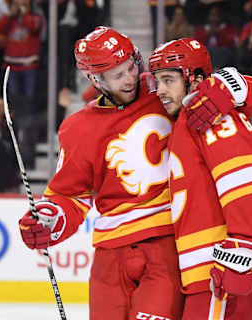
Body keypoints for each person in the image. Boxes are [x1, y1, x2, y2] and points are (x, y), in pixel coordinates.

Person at [17, 26, 186, 320]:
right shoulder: (78, 128)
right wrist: (49, 218)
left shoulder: (164, 89)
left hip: (166, 247)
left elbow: (238, 96)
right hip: (111, 257)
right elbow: (70, 196)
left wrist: (227, 91)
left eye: (132, 66)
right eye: (117, 75)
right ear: (95, 79)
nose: (131, 77)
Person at [148, 38, 252, 319]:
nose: (161, 90)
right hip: (209, 268)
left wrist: (243, 244)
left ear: (195, 80)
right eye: (158, 81)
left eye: (168, 80)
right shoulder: (187, 120)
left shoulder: (210, 115)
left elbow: (246, 180)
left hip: (224, 261)